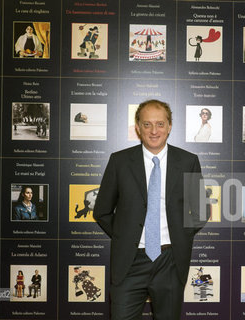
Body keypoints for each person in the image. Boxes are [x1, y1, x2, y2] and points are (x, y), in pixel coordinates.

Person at [94, 99, 207, 320]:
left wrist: (179, 237)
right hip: (129, 262)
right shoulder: (119, 161)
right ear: (138, 127)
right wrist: (124, 235)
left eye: (160, 124)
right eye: (147, 124)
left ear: (170, 126)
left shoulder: (188, 161)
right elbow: (102, 211)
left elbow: (201, 211)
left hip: (170, 262)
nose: (154, 131)